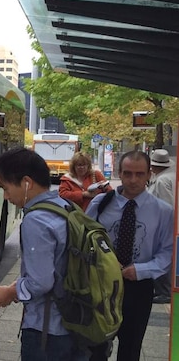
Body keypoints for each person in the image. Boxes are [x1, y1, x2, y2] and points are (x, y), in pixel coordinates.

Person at [0, 147, 87, 361]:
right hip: (74, 323)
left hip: (46, 331)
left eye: (5, 187)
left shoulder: (36, 220)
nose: (5, 196)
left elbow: (41, 282)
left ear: (26, 183)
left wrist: (11, 293)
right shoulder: (64, 206)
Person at [86, 150, 173, 361]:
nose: (133, 180)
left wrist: (142, 270)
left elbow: (168, 251)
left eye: (139, 174)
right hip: (101, 286)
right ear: (119, 173)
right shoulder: (100, 204)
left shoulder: (163, 211)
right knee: (95, 347)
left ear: (149, 174)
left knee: (131, 348)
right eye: (127, 173)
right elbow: (84, 239)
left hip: (138, 288)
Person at [147, 149, 175, 304]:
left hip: (163, 226)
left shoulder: (162, 180)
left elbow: (166, 206)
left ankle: (164, 291)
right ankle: (165, 290)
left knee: (161, 257)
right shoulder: (171, 176)